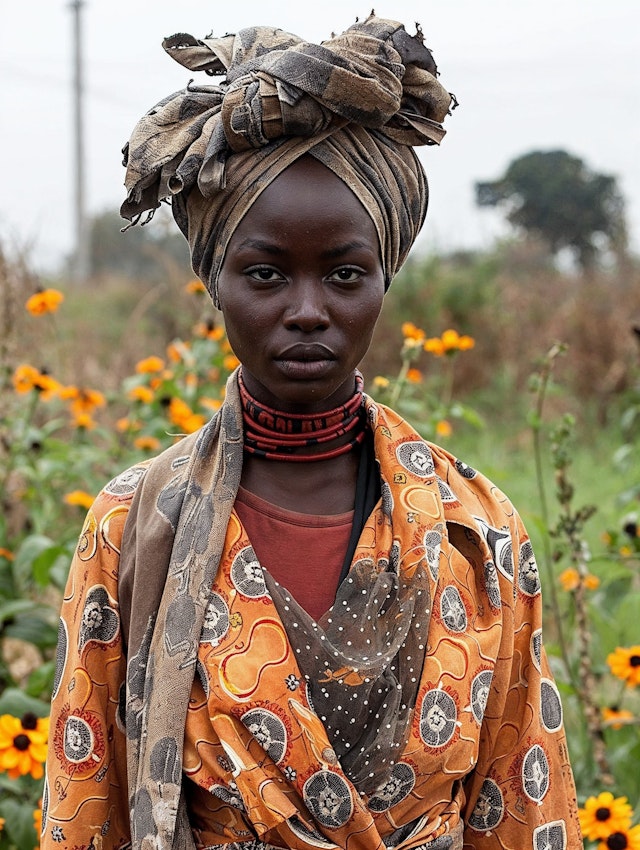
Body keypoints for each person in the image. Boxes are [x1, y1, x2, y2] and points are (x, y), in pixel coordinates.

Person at [42, 14, 582, 850]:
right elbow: (87, 809)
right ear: (215, 281)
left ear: (384, 278)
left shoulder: (478, 532)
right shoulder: (134, 529)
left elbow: (521, 803)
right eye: (265, 273)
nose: (306, 310)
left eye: (344, 274)